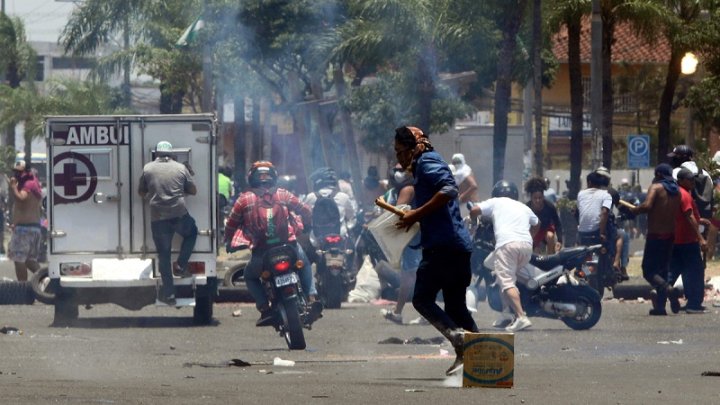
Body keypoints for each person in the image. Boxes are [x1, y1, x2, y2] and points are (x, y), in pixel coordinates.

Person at [393, 125, 478, 376]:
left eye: (400, 152)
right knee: (456, 308)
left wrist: (416, 213)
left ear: (414, 147)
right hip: (455, 246)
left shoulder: (427, 161)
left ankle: (459, 340)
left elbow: (450, 190)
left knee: (421, 299)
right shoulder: (422, 168)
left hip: (444, 247)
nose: (399, 158)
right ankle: (478, 362)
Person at [223, 161, 320, 326]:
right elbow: (305, 209)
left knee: (250, 277)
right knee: (304, 264)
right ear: (273, 177)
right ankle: (311, 298)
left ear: (251, 178)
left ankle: (264, 308)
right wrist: (308, 224)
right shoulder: (283, 194)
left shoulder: (244, 199)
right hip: (289, 247)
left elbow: (231, 224)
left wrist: (228, 242)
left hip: (262, 253)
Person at [470, 180, 539, 332]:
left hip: (507, 245)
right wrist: (530, 237)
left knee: (506, 281)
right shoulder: (522, 206)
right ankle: (507, 313)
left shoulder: (496, 202)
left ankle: (521, 317)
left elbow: (474, 210)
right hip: (526, 246)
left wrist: (473, 223)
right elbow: (536, 223)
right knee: (503, 277)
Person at [138, 141, 198, 305]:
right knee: (192, 232)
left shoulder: (148, 168)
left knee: (163, 256)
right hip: (178, 214)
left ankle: (170, 295)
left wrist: (153, 193)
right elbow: (193, 190)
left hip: (158, 218)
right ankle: (181, 264)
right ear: (171, 154)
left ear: (156, 153)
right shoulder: (180, 168)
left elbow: (141, 192)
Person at [629, 163, 682, 315]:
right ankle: (660, 307)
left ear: (658, 174)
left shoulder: (656, 187)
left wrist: (634, 210)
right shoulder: (677, 191)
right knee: (663, 271)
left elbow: (647, 205)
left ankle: (669, 290)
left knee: (648, 270)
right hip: (670, 235)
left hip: (656, 235)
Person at [379, 163, 421, 324]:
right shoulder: (403, 189)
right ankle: (400, 312)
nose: (397, 172)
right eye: (396, 169)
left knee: (410, 275)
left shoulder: (407, 189)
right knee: (411, 275)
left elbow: (397, 213)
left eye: (401, 169)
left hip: (411, 236)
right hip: (412, 235)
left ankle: (400, 312)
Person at [669, 168, 708, 313]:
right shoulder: (684, 195)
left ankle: (660, 294)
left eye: (693, 179)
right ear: (680, 180)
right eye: (689, 179)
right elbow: (688, 216)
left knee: (673, 271)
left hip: (677, 240)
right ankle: (694, 304)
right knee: (695, 272)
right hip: (688, 240)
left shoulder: (676, 193)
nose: (692, 182)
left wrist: (701, 220)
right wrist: (701, 238)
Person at [7, 161, 43, 281]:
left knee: (18, 260)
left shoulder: (28, 184)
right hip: (33, 228)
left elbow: (22, 198)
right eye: (15, 171)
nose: (16, 174)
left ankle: (23, 288)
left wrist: (13, 187)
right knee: (29, 261)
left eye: (19, 172)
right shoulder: (35, 184)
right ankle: (46, 280)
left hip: (24, 230)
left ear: (26, 172)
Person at [524, 177, 563, 254]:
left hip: (546, 231)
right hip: (533, 233)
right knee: (536, 253)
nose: (537, 200)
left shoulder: (549, 207)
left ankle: (550, 259)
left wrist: (559, 241)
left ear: (543, 197)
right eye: (535, 198)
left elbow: (557, 223)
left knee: (550, 236)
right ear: (531, 198)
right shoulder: (526, 208)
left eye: (540, 198)